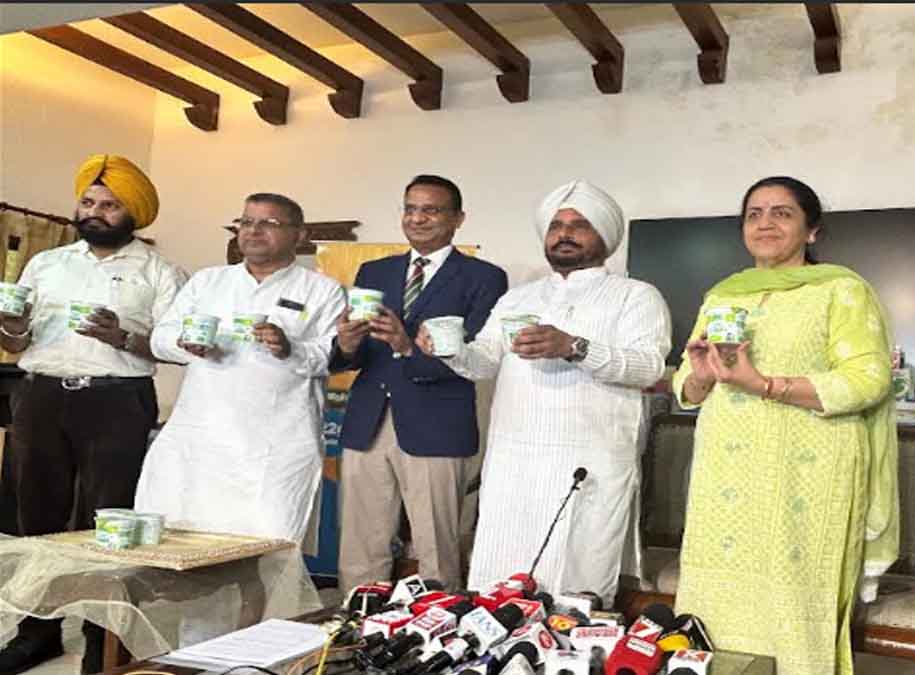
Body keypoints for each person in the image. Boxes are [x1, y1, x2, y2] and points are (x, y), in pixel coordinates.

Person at [671, 176, 897, 675]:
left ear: (812, 230)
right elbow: (686, 385)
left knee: (792, 609)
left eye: (782, 213)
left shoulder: (841, 290)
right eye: (754, 214)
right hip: (725, 473)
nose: (765, 223)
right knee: (713, 607)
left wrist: (766, 384)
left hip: (806, 472)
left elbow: (869, 379)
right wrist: (701, 376)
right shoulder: (723, 295)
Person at [416, 179, 670, 605]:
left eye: (579, 225)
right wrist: (449, 351)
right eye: (556, 225)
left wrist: (574, 347)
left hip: (589, 460)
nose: (564, 233)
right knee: (500, 575)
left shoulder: (636, 296)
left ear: (605, 235)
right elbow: (484, 361)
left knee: (575, 584)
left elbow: (648, 366)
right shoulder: (519, 298)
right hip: (514, 460)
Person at [0, 154, 187, 675]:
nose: (95, 212)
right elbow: (17, 343)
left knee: (108, 520)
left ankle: (102, 641)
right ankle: (37, 633)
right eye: (88, 202)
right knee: (35, 518)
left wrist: (121, 336)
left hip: (117, 399)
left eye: (109, 205)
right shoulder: (47, 264)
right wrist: (10, 324)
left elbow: (175, 347)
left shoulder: (161, 271)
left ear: (134, 214)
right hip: (40, 396)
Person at [136, 192, 344, 545]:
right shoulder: (208, 282)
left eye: (268, 223)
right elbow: (160, 338)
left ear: (300, 235)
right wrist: (185, 343)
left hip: (276, 446)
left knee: (269, 546)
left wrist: (289, 348)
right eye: (246, 222)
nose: (253, 230)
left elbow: (331, 356)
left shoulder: (322, 290)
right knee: (177, 539)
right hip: (198, 440)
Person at [331, 175, 507, 592]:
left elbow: (478, 358)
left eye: (431, 210)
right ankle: (357, 619)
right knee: (360, 544)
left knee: (435, 548)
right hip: (368, 420)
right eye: (410, 209)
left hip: (436, 424)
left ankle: (439, 623)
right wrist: (346, 345)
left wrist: (407, 346)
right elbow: (356, 355)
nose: (417, 218)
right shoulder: (375, 270)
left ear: (458, 218)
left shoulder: (483, 277)